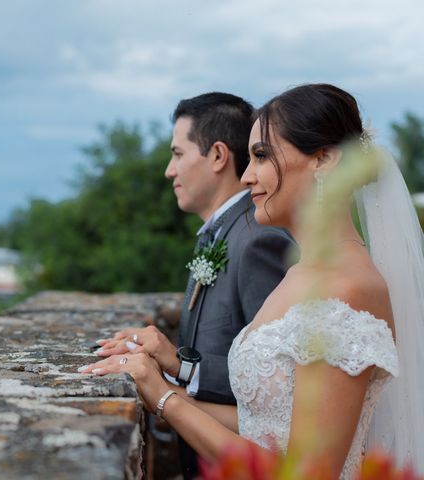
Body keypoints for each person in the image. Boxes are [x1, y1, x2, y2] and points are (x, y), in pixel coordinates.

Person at [81, 83, 424, 478]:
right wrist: (159, 385)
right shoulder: (301, 274)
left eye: (261, 156)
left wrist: (164, 401)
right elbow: (265, 429)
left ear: (324, 159)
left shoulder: (346, 290)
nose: (245, 177)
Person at [89, 92, 293, 478]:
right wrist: (168, 362)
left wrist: (179, 374)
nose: (169, 170)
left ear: (217, 156)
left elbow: (276, 386)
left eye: (178, 154)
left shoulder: (257, 241)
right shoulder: (220, 234)